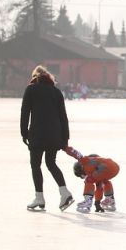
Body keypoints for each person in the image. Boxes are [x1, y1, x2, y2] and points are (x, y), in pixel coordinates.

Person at [20, 65, 74, 211]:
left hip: (37, 134)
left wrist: (24, 133)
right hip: (54, 134)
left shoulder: (31, 90)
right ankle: (64, 192)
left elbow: (25, 113)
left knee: (36, 165)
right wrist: (65, 138)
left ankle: (39, 197)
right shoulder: (56, 92)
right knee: (51, 163)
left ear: (34, 77)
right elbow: (63, 116)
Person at [65, 145, 120, 213]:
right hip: (115, 167)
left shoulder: (85, 161)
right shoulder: (96, 169)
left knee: (88, 180)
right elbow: (99, 188)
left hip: (105, 167)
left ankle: (87, 203)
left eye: (82, 175)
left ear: (80, 169)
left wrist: (67, 149)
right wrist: (97, 203)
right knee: (104, 182)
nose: (84, 176)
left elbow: (77, 155)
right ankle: (110, 201)